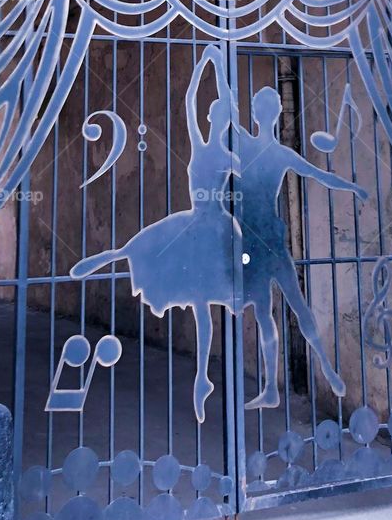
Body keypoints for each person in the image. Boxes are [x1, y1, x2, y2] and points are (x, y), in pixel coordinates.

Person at [70, 45, 239, 422]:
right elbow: (193, 102)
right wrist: (211, 58)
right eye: (216, 115)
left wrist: (215, 58)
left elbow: (204, 104)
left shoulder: (223, 150)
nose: (214, 119)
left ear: (222, 120)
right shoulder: (217, 148)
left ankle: (202, 377)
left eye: (220, 115)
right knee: (155, 247)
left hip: (211, 224)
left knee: (200, 299)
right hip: (203, 222)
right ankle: (202, 378)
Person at [235, 84, 367, 408]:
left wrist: (213, 55)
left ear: (254, 113)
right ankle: (324, 367)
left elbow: (224, 99)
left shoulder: (244, 145)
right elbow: (322, 176)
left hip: (254, 238)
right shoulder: (280, 154)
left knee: (265, 310)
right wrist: (353, 186)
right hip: (269, 236)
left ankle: (271, 387)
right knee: (295, 302)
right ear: (278, 113)